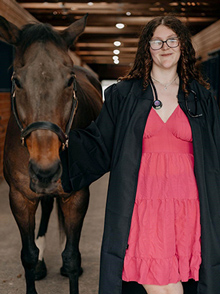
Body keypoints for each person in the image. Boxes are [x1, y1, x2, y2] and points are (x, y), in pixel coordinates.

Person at [60, 16, 220, 294]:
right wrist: (59, 143)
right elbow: (100, 142)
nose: (165, 47)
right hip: (142, 202)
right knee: (158, 280)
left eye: (172, 40)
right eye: (157, 41)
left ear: (182, 45)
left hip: (189, 205)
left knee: (184, 279)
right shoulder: (124, 94)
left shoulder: (200, 96)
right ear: (147, 47)